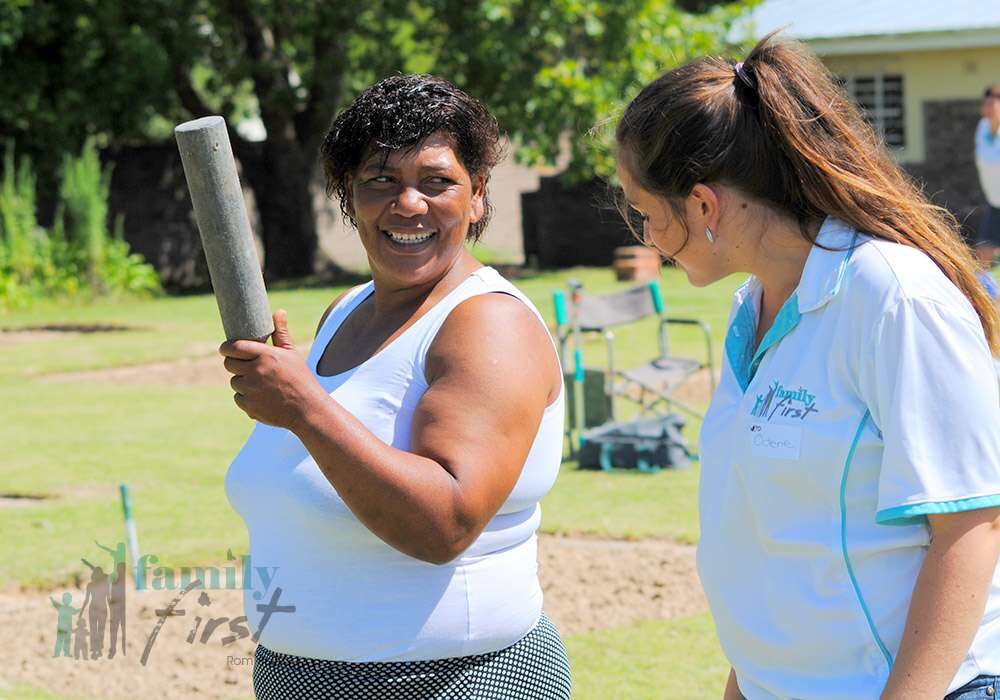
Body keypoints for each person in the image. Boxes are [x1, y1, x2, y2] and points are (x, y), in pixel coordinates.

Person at [615, 33, 1000, 700]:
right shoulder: (751, 308)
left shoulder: (893, 296)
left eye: (645, 214)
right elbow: (773, 542)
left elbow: (970, 527)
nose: (645, 237)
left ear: (704, 206)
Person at [221, 74, 571, 700]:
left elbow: (444, 525)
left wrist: (303, 406)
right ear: (348, 195)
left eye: (436, 181)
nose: (408, 204)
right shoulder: (344, 312)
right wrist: (290, 395)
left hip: (457, 682)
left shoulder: (488, 324)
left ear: (477, 195)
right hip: (298, 678)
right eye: (381, 180)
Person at [975, 83, 1000, 300]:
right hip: (995, 203)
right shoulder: (982, 127)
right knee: (983, 252)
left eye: (996, 101)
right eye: (988, 101)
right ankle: (990, 300)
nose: (990, 105)